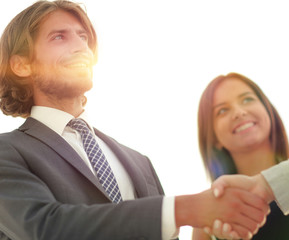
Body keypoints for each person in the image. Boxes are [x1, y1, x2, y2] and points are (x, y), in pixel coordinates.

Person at [0, 1, 269, 239]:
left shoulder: (139, 161)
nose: (81, 47)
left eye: (83, 37)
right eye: (59, 37)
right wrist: (186, 208)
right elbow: (45, 230)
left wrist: (213, 232)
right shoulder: (8, 152)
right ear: (22, 65)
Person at [193, 73, 289, 240]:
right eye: (222, 110)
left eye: (247, 99)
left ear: (268, 111)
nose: (239, 112)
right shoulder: (208, 213)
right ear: (214, 137)